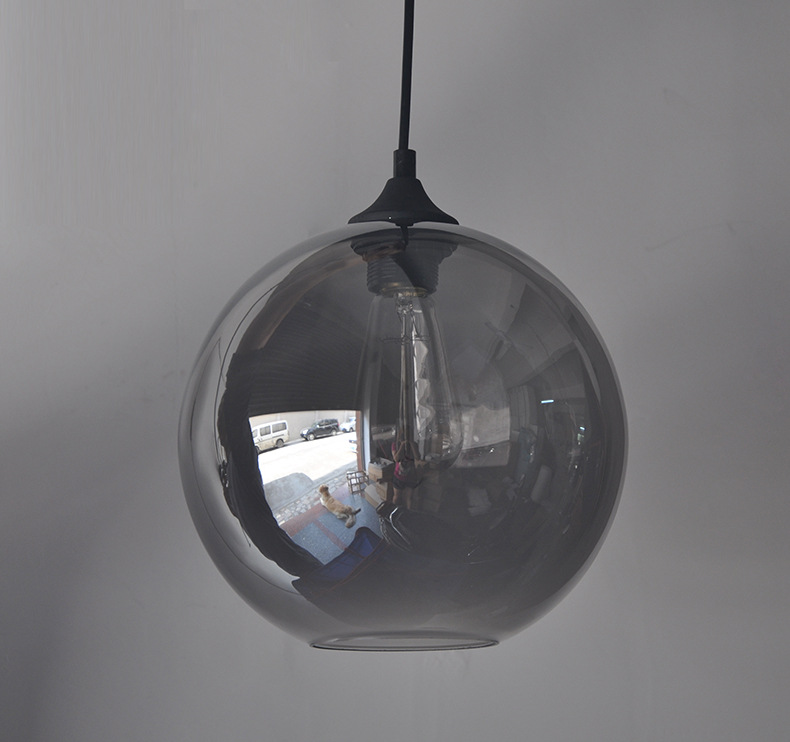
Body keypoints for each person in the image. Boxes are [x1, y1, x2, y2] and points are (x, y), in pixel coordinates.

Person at [391, 439, 423, 509]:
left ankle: (408, 513)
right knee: (397, 497)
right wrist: (402, 445)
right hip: (399, 476)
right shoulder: (395, 444)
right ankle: (394, 511)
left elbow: (417, 457)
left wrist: (411, 443)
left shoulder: (414, 444)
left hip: (410, 476)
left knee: (409, 498)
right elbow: (396, 458)